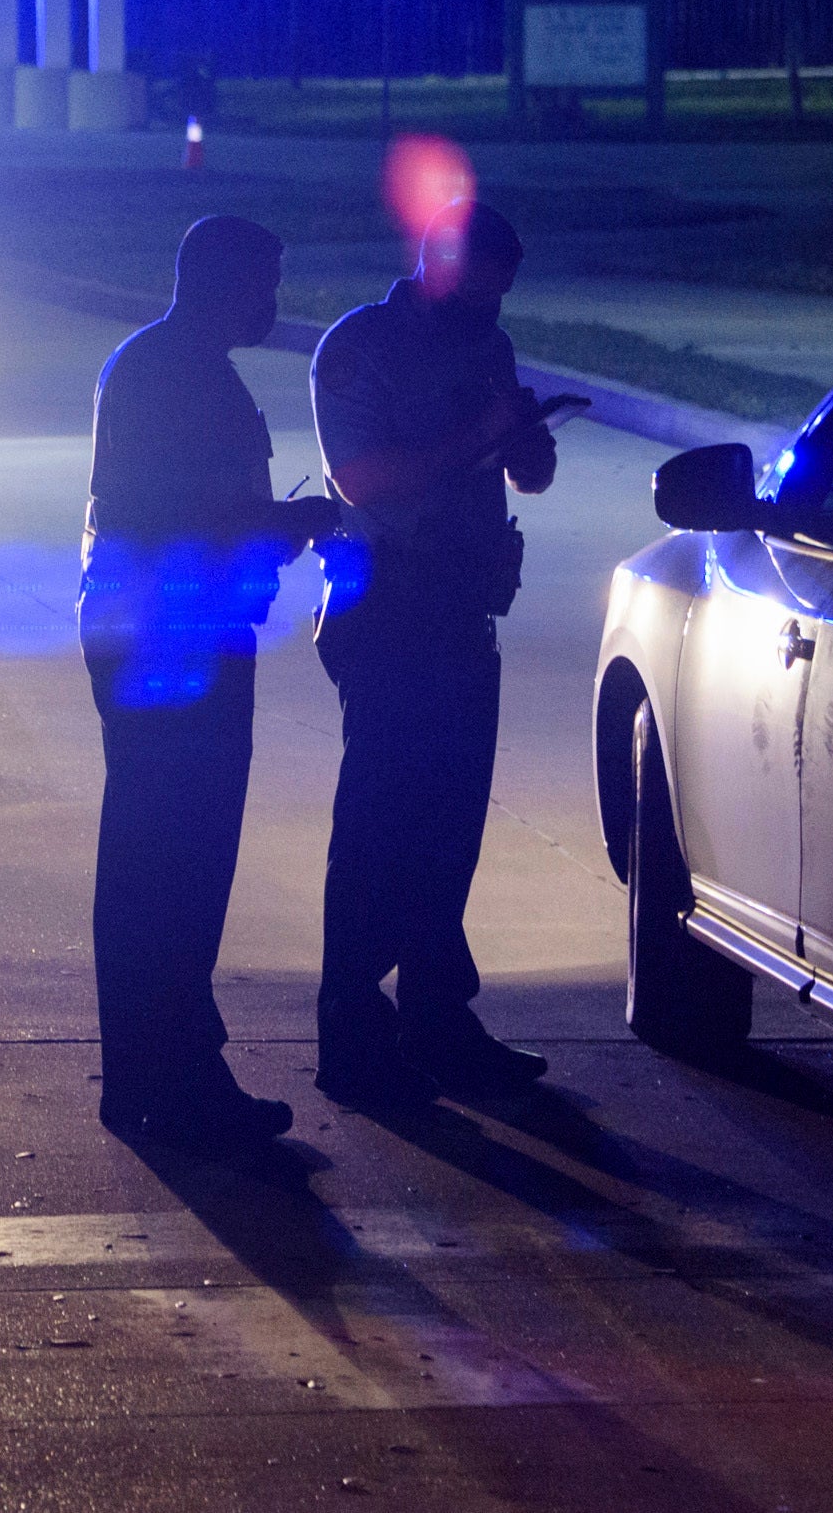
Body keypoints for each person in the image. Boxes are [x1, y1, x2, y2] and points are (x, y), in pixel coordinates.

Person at [81, 215, 338, 1154]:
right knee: (178, 862)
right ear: (221, 283)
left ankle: (152, 1073)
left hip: (163, 630)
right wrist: (290, 524)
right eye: (262, 284)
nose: (271, 303)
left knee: (154, 858)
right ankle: (176, 1080)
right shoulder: (176, 375)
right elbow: (183, 518)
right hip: (173, 640)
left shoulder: (161, 364)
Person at [309, 199, 557, 1110]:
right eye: (480, 290)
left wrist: (526, 443)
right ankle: (352, 1035)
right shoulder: (359, 348)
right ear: (437, 265)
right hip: (389, 612)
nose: (491, 309)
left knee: (451, 830)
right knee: (378, 829)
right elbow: (362, 478)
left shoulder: (488, 346)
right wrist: (480, 435)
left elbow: (528, 472)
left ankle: (438, 1020)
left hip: (463, 610)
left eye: (502, 295)